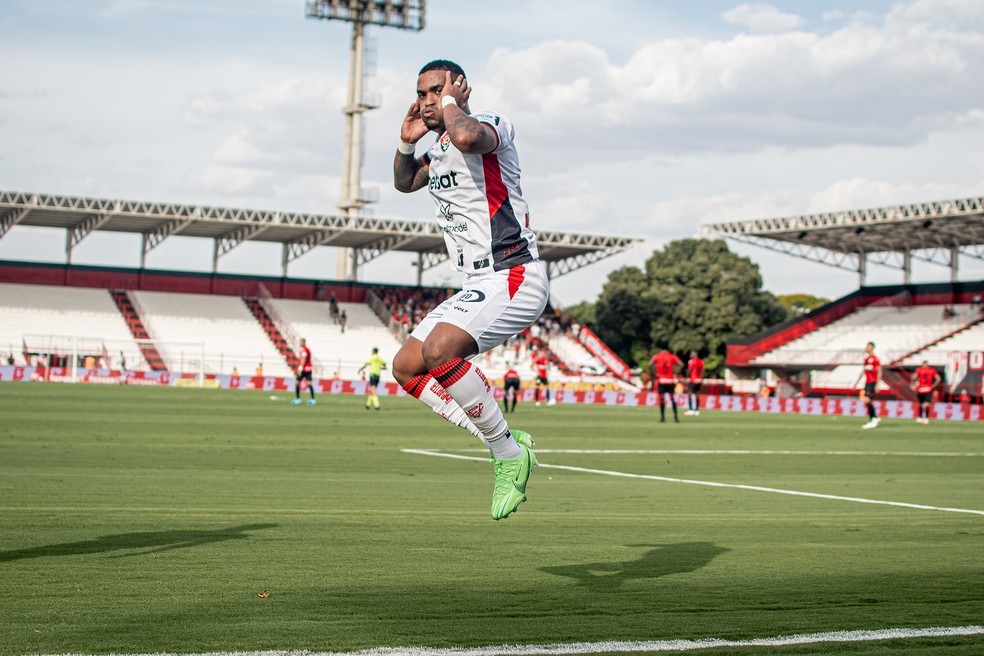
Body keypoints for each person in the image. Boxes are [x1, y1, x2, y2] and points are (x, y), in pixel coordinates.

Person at [391, 58, 548, 521]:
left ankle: (506, 453)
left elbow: (467, 136)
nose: (428, 102)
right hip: (478, 282)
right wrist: (405, 140)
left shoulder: (489, 126)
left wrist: (455, 105)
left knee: (442, 350)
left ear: (460, 89)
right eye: (421, 94)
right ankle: (500, 440)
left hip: (514, 273)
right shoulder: (436, 148)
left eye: (436, 91)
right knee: (406, 368)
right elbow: (403, 183)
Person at [649, 347, 682, 423]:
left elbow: (650, 364)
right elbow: (681, 364)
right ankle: (676, 417)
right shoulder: (672, 356)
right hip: (670, 381)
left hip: (661, 380)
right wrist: (676, 373)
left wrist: (654, 373)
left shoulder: (657, 356)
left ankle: (662, 417)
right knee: (672, 399)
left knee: (661, 399)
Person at [853, 341, 881, 429]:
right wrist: (856, 382)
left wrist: (877, 384)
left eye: (868, 346)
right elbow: (863, 371)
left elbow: (879, 371)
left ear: (872, 347)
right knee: (867, 401)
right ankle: (874, 418)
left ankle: (874, 418)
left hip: (872, 382)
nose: (866, 348)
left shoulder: (875, 358)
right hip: (867, 382)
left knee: (867, 400)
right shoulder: (866, 359)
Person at [911, 360, 941, 425]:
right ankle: (926, 418)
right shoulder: (932, 370)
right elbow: (938, 379)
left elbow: (913, 377)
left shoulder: (919, 369)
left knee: (921, 403)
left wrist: (913, 384)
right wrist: (933, 385)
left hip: (921, 389)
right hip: (928, 389)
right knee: (927, 403)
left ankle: (921, 417)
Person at [291, 338, 317, 406]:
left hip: (305, 369)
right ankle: (312, 399)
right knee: (305, 383)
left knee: (302, 383)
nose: (300, 343)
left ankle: (298, 399)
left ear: (303, 342)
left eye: (300, 342)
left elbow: (303, 359)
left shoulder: (304, 350)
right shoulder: (307, 349)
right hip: (308, 369)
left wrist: (300, 367)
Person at [684, 351, 704, 416]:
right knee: (697, 394)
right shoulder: (701, 361)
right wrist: (701, 377)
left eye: (691, 354)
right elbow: (703, 370)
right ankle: (697, 410)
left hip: (693, 380)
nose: (690, 355)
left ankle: (691, 409)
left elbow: (689, 370)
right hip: (699, 380)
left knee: (689, 393)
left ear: (694, 355)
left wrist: (686, 376)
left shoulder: (691, 361)